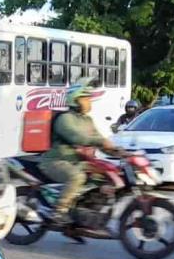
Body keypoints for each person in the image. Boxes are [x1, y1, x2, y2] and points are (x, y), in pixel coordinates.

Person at [40, 78, 120, 224]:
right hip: (55, 161)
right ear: (75, 99)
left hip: (76, 162)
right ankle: (59, 211)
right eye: (86, 98)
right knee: (77, 177)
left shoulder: (87, 120)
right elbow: (77, 137)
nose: (89, 102)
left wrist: (119, 152)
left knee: (102, 176)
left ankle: (82, 214)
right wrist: (101, 142)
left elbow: (100, 139)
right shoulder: (64, 119)